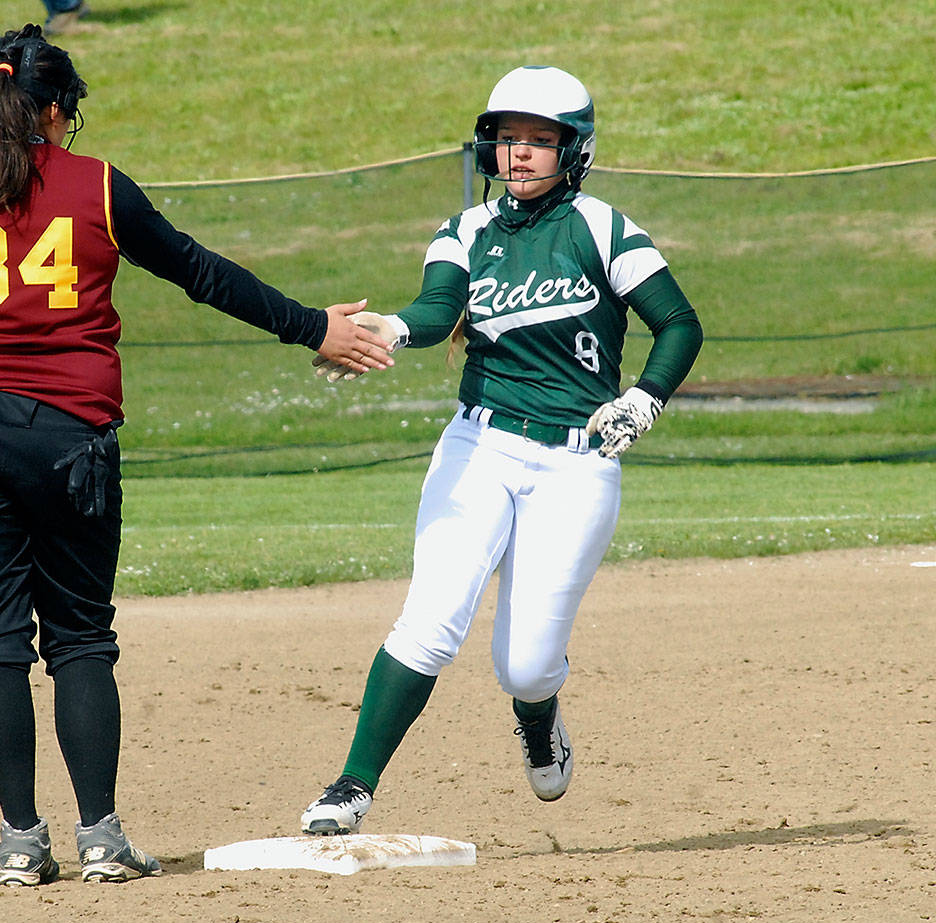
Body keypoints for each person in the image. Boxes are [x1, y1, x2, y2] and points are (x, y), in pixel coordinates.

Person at [0, 23, 394, 886]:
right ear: (53, 108)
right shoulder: (96, 187)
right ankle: (101, 838)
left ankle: (20, 841)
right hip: (71, 439)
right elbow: (199, 271)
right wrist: (314, 327)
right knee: (81, 638)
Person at [299, 65, 703, 835]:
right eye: (508, 138)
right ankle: (352, 785)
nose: (519, 154)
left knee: (522, 666)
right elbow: (438, 305)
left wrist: (644, 397)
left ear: (575, 149)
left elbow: (679, 323)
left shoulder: (603, 228)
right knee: (431, 618)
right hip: (479, 445)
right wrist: (388, 326)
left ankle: (539, 712)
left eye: (540, 140)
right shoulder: (467, 232)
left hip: (577, 464)